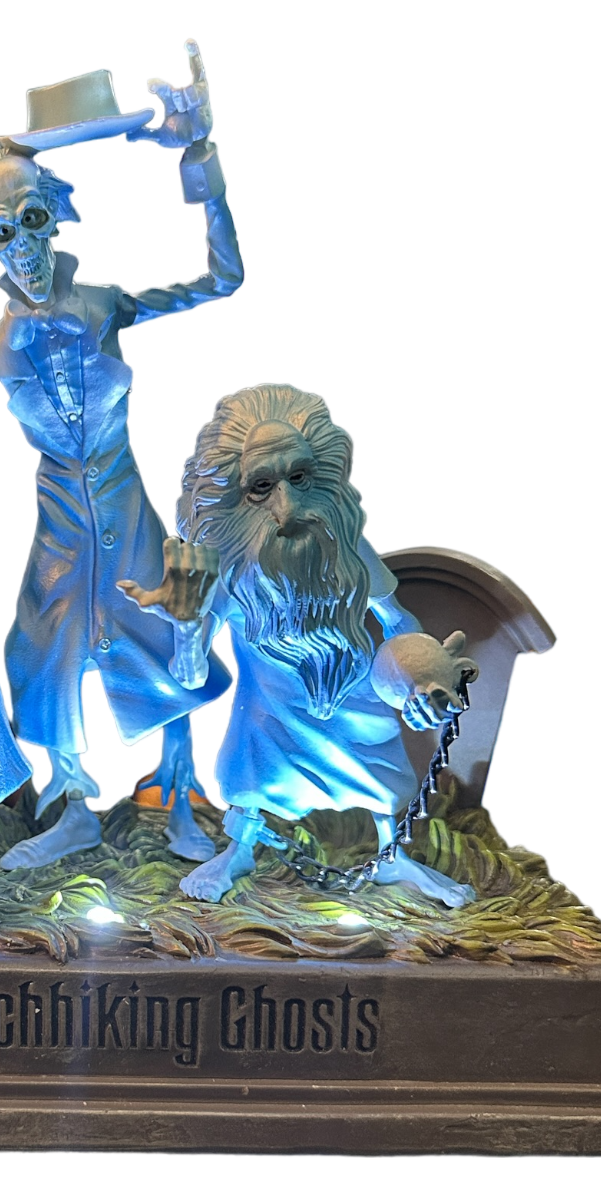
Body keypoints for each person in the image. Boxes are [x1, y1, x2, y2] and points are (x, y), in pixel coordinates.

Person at [0, 41, 242, 870]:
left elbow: (222, 281)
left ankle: (179, 787)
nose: (24, 248)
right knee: (42, 647)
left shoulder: (106, 304)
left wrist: (201, 159)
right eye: (4, 233)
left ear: (58, 217)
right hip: (60, 516)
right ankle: (71, 800)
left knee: (165, 626)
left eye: (32, 221)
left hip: (125, 499)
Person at [120, 382, 478, 906]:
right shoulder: (230, 569)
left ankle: (391, 856)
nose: (287, 508)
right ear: (236, 492)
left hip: (355, 696)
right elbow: (190, 677)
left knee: (384, 780)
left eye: (300, 478)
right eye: (262, 486)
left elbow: (397, 621)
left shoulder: (345, 547)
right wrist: (188, 626)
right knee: (245, 774)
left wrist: (424, 677)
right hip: (269, 710)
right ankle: (239, 850)